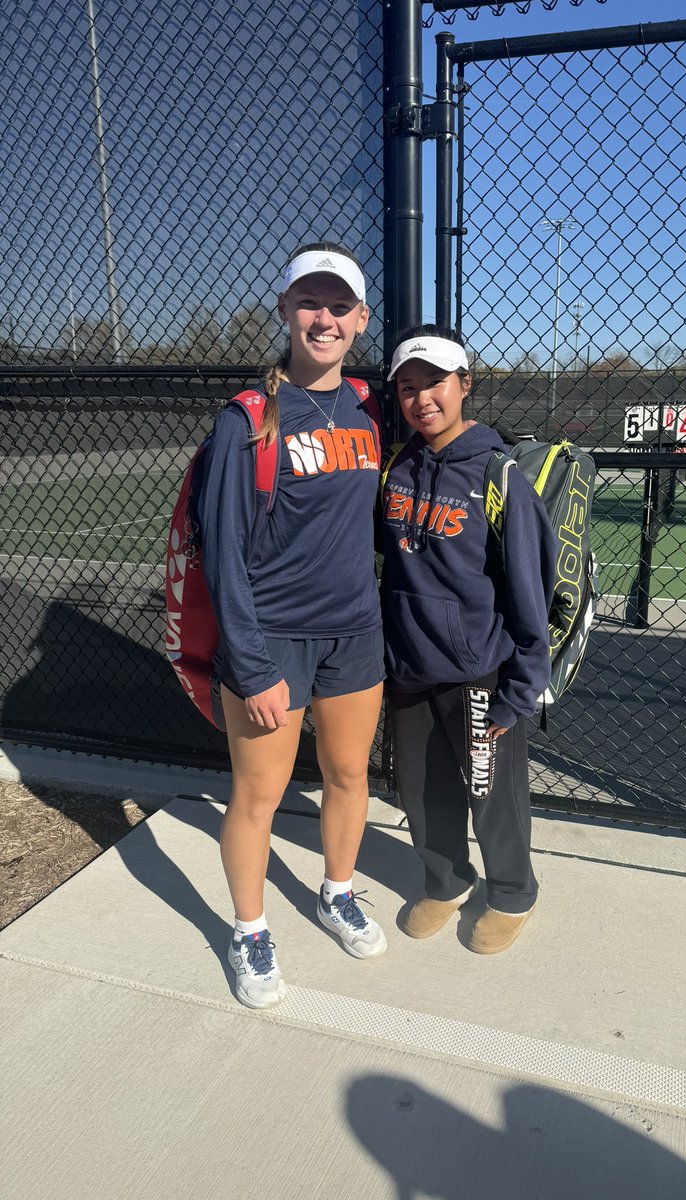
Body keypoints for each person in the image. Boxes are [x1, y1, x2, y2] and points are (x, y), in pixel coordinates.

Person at [197, 242, 387, 1010]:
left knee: (349, 776)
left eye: (339, 305)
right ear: (284, 310)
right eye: (310, 302)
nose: (324, 317)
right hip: (273, 640)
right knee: (259, 797)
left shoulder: (372, 411)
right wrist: (250, 664)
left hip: (357, 635)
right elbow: (224, 557)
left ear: (360, 320)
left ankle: (336, 892)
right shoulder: (248, 417)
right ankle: (248, 933)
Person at [380, 326, 556, 954]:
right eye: (408, 386)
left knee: (491, 796)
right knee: (424, 793)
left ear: (464, 384)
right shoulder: (398, 465)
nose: (422, 397)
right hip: (408, 667)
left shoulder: (497, 474)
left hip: (479, 671)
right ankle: (447, 879)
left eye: (434, 382)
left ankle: (512, 892)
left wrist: (522, 689)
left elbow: (531, 593)